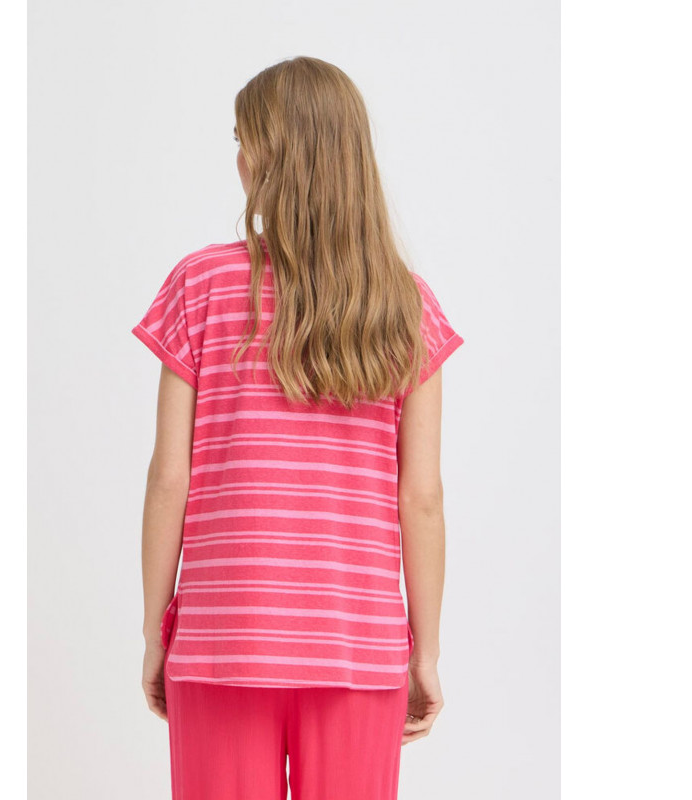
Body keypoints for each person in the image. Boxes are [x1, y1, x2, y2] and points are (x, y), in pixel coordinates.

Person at [132, 56, 464, 800]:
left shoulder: (199, 285)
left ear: (274, 156)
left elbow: (168, 478)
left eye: (244, 140)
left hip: (222, 642)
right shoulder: (405, 306)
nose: (238, 159)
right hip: (358, 648)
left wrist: (156, 632)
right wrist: (426, 651)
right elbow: (422, 498)